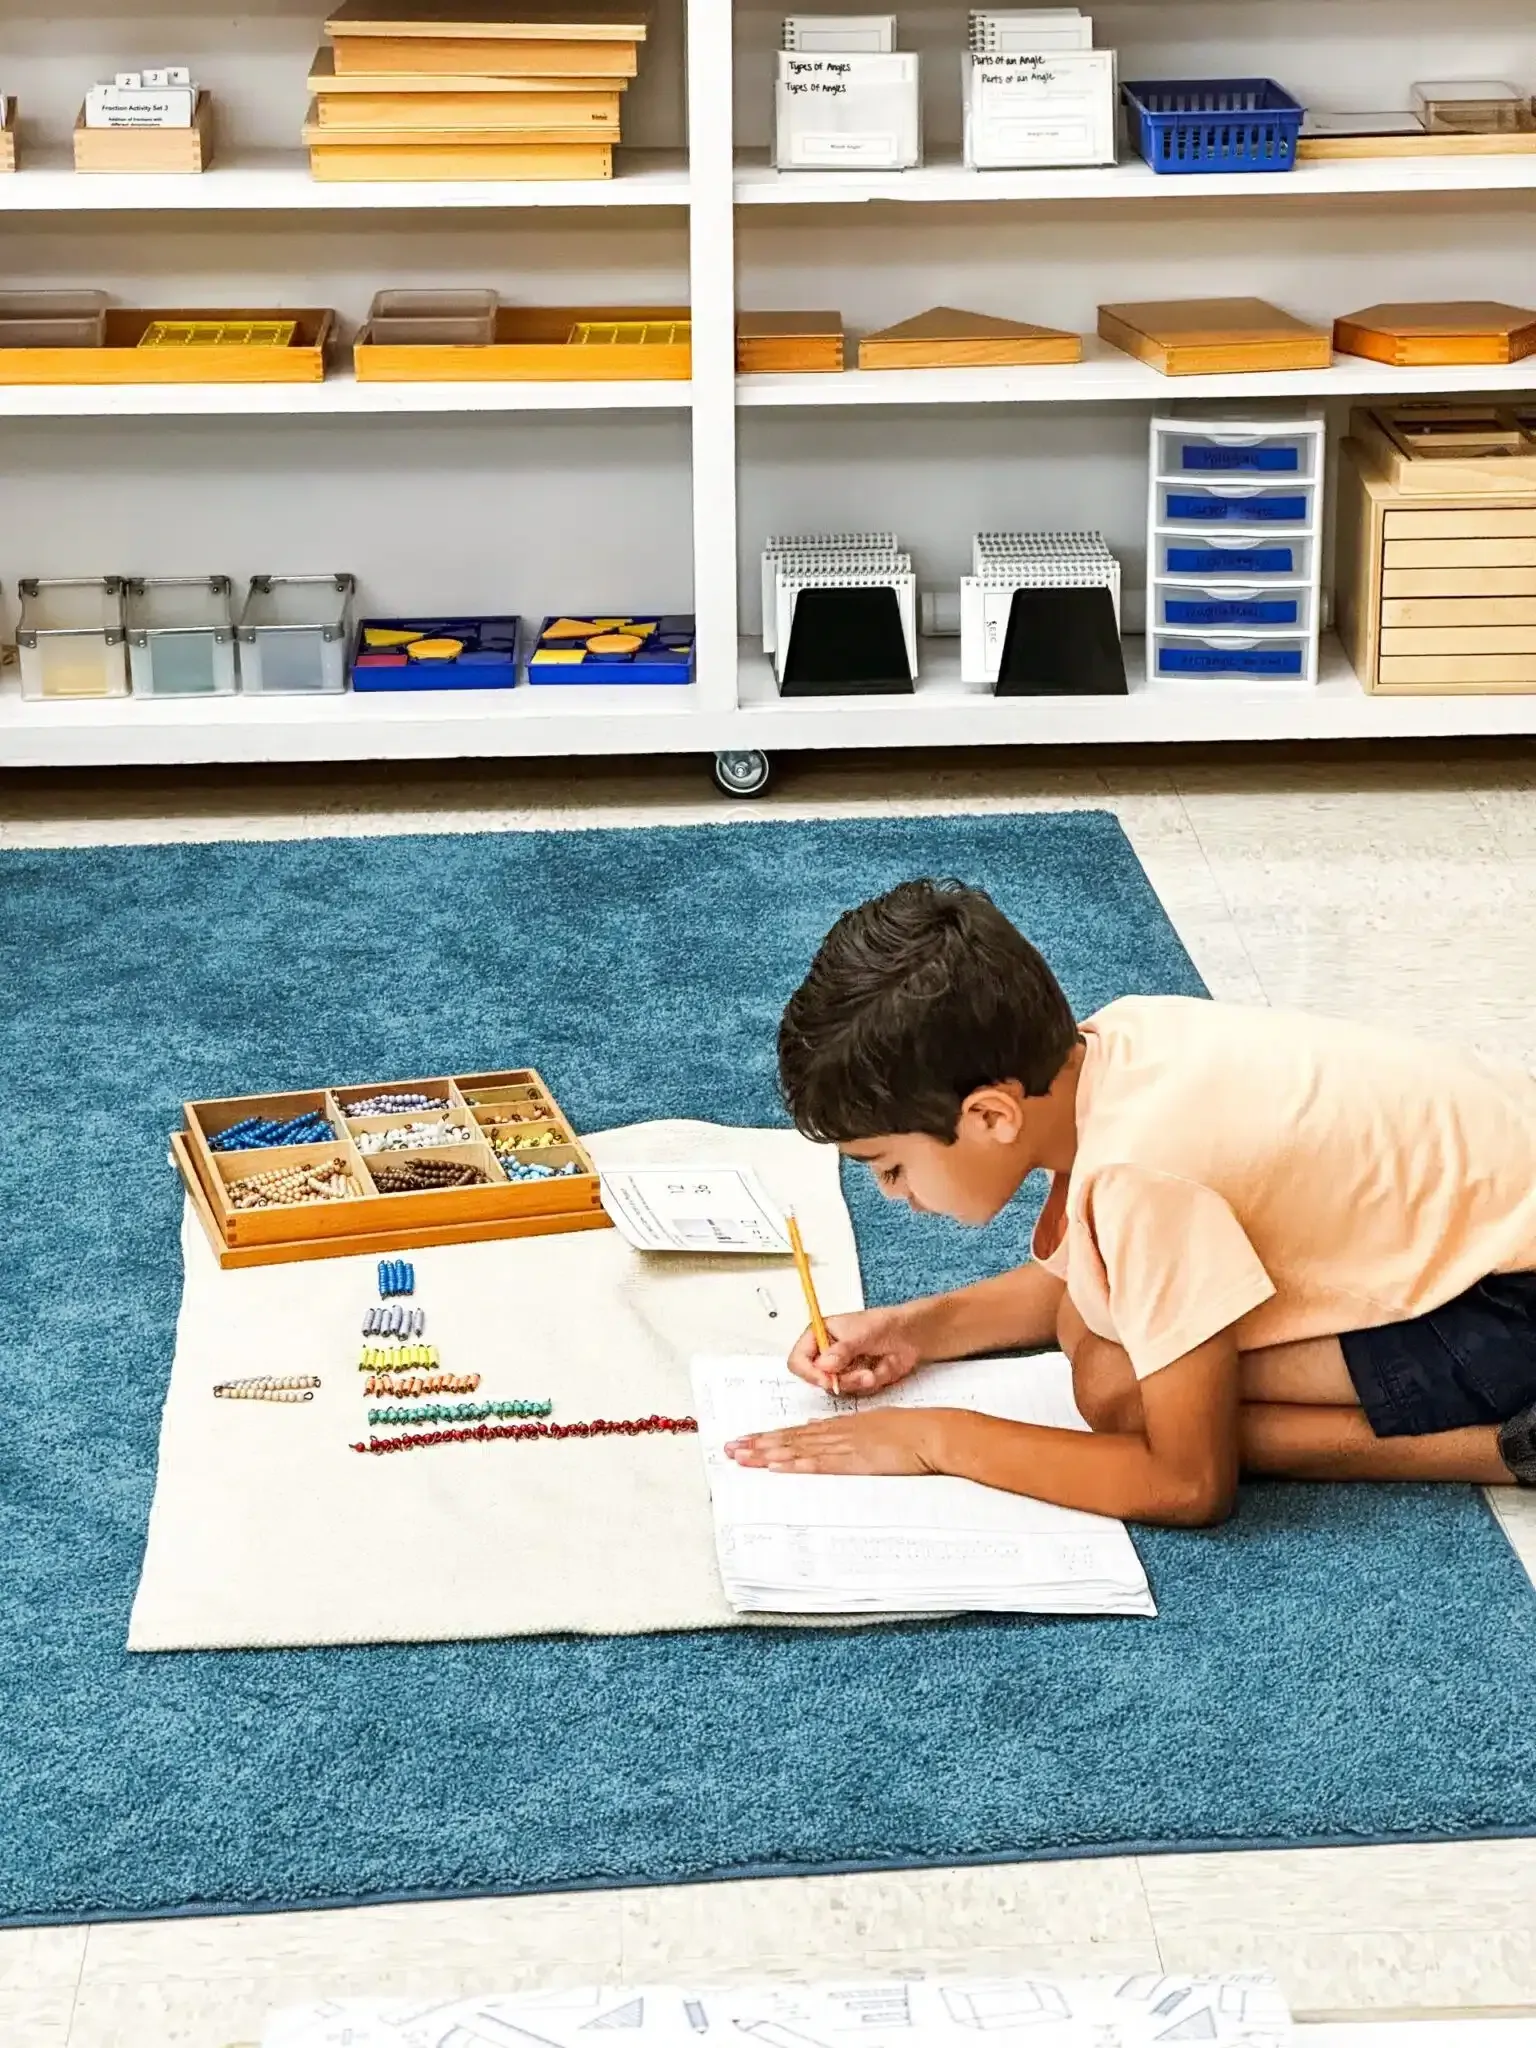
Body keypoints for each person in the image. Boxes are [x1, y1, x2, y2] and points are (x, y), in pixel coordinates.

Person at [723, 878, 1536, 1526]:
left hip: (1513, 1303)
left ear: (990, 1116)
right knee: (1096, 1328)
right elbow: (1112, 1280)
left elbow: (1188, 1483)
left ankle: (1497, 1450)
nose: (890, 1195)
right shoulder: (1116, 1044)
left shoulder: (1140, 1175)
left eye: (890, 1167)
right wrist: (920, 1329)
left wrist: (937, 1438)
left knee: (1116, 1390)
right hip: (1505, 1214)